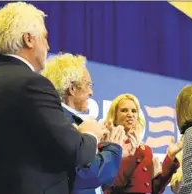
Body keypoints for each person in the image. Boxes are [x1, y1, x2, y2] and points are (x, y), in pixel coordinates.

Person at [0, 2, 104, 194]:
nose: (48, 45)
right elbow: (76, 152)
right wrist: (90, 133)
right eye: (44, 37)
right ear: (29, 39)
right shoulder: (33, 84)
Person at [42, 53, 128, 194]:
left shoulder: (66, 121)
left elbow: (101, 183)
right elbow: (84, 176)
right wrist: (112, 150)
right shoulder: (62, 123)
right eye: (88, 85)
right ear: (72, 88)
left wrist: (104, 149)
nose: (91, 92)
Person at [103, 93, 183, 194]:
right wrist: (132, 154)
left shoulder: (145, 150)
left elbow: (154, 190)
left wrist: (170, 157)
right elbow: (114, 185)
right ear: (114, 115)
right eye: (124, 110)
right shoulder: (108, 145)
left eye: (134, 111)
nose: (130, 114)